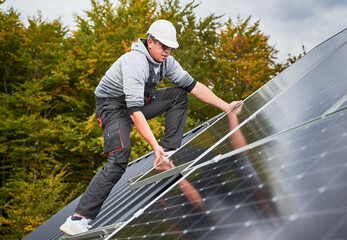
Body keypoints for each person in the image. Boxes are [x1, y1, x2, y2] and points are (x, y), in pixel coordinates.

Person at [60, 19, 242, 236]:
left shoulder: (168, 62)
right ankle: (78, 218)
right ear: (150, 42)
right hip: (112, 108)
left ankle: (169, 152)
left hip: (138, 102)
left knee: (178, 95)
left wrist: (226, 107)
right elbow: (134, 112)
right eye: (163, 47)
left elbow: (194, 86)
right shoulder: (135, 62)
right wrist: (154, 146)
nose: (167, 52)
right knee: (120, 156)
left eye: (170, 48)